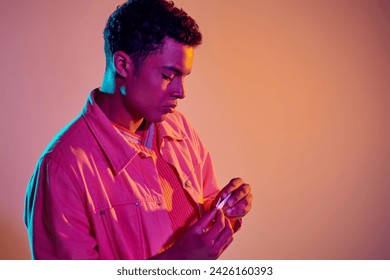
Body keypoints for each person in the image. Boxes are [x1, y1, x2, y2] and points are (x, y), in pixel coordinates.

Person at [24, 0, 252, 260]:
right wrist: (179, 261)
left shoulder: (180, 129)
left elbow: (206, 204)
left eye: (184, 77)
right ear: (122, 65)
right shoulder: (62, 169)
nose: (181, 92)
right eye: (168, 76)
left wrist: (225, 209)